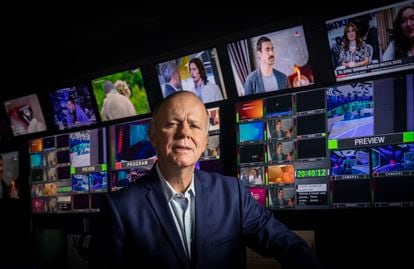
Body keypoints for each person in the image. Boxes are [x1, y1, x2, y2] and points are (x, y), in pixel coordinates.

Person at [89, 91, 323, 269]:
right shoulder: (119, 208)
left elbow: (287, 244)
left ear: (204, 142)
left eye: (194, 125)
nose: (184, 133)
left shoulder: (233, 194)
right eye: (172, 124)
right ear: (153, 136)